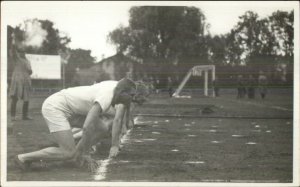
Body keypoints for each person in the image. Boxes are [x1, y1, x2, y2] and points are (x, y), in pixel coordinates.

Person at [15, 78, 149, 171]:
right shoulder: (107, 96)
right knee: (68, 152)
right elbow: (87, 126)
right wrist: (86, 153)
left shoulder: (118, 87)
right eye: (131, 96)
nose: (131, 100)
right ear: (124, 92)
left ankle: (77, 156)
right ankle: (23, 158)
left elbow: (108, 122)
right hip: (55, 107)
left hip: (72, 109)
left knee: (102, 128)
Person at [9, 42, 33, 121]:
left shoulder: (27, 61)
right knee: (15, 98)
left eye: (23, 51)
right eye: (20, 51)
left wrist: (30, 71)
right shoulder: (17, 59)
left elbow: (30, 71)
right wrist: (13, 42)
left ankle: (24, 116)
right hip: (17, 80)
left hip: (26, 81)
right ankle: (12, 116)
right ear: (18, 52)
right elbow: (13, 51)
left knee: (26, 99)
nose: (22, 52)